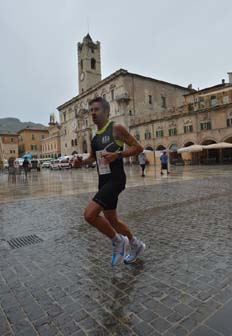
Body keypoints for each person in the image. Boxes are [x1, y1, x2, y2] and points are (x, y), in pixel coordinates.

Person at [76, 97, 146, 266]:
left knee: (90, 215)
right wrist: (81, 162)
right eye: (91, 110)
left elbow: (138, 147)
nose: (93, 113)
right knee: (112, 220)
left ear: (107, 112)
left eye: (97, 109)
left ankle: (117, 241)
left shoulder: (116, 128)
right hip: (103, 180)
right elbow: (92, 157)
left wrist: (118, 155)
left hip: (116, 179)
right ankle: (135, 244)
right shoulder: (94, 137)